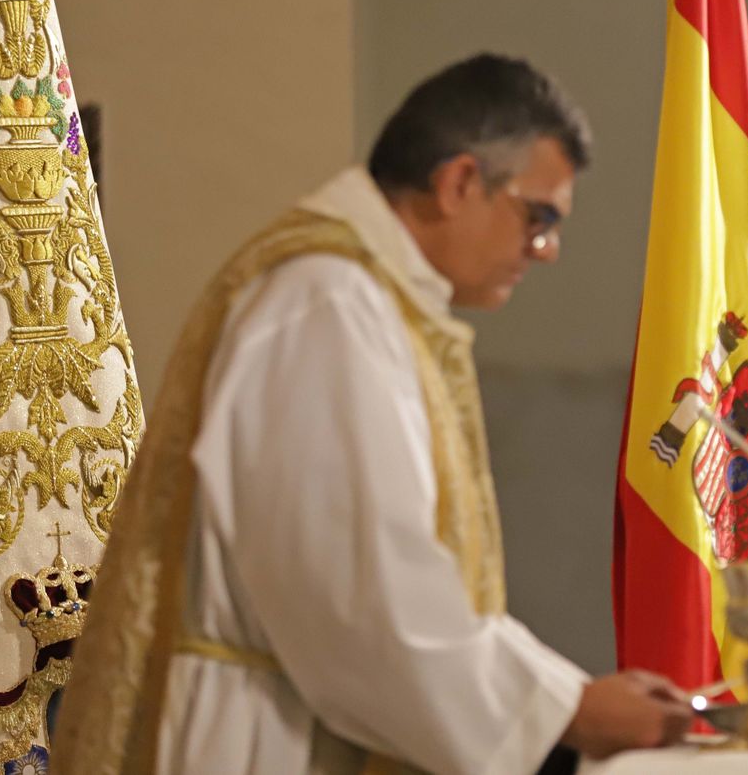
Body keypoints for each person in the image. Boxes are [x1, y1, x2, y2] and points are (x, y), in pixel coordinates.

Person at [54, 54, 693, 774]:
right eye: (537, 216)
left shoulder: (368, 300)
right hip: (268, 742)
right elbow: (364, 601)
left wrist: (563, 697)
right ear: (458, 183)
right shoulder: (327, 304)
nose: (544, 250)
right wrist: (570, 708)